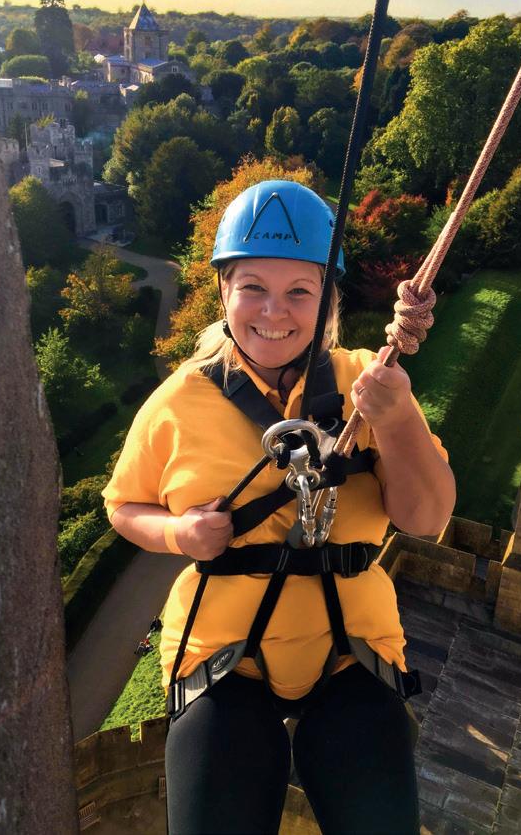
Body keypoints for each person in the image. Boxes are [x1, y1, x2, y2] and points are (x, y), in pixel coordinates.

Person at [103, 180, 455, 835]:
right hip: (222, 658)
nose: (274, 310)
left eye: (299, 291)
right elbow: (124, 507)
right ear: (223, 292)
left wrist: (398, 418)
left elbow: (426, 519)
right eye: (252, 287)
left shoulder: (368, 383)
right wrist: (179, 533)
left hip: (353, 653)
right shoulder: (179, 402)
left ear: (327, 301)